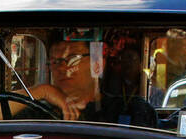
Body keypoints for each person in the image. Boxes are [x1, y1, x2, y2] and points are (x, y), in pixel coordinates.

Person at [21, 39, 154, 126]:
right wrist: (42, 91)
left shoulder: (130, 109)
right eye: (55, 62)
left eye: (73, 58)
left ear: (97, 65)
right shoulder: (39, 111)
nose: (61, 67)